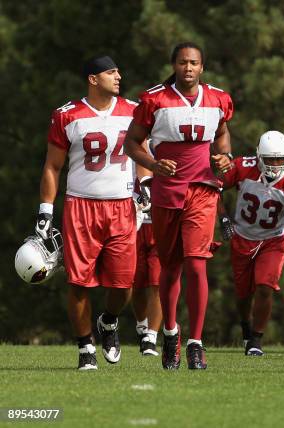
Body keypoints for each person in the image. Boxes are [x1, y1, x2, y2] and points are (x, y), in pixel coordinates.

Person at [124, 42, 233, 370]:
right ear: (174, 64)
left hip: (202, 189)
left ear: (202, 67)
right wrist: (154, 165)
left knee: (197, 263)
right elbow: (132, 143)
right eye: (183, 62)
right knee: (169, 266)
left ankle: (196, 344)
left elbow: (224, 134)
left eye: (194, 63)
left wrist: (224, 156)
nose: (188, 68)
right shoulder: (153, 98)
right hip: (166, 191)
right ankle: (170, 333)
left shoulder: (218, 98)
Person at [38, 55, 137, 370]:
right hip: (81, 205)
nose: (118, 76)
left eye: (118, 71)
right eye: (111, 72)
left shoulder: (134, 111)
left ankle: (108, 321)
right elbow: (53, 166)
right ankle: (85, 348)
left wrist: (145, 184)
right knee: (79, 283)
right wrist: (45, 210)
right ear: (93, 79)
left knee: (123, 284)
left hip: (122, 204)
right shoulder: (68, 115)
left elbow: (145, 155)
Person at [221, 131, 284, 355]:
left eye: (281, 159)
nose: (276, 165)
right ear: (259, 156)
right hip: (242, 237)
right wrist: (223, 219)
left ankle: (256, 340)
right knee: (242, 295)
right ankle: (246, 327)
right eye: (270, 159)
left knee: (264, 287)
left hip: (273, 240)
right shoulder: (242, 167)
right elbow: (213, 189)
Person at [131, 173, 162, 357]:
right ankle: (142, 326)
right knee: (136, 283)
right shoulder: (130, 148)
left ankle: (151, 337)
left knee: (157, 282)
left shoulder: (168, 146)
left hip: (160, 224)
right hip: (134, 222)